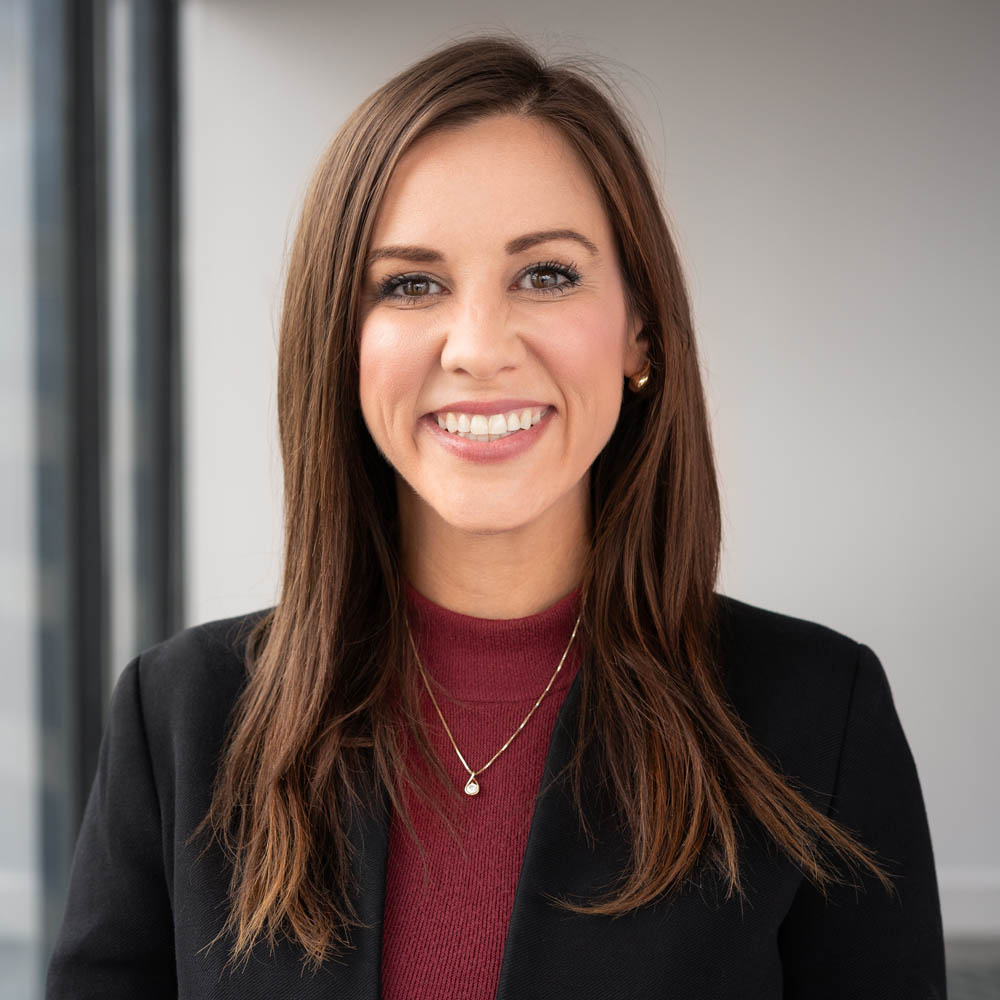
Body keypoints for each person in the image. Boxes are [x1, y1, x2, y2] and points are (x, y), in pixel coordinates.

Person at [46, 33, 947, 999]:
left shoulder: (817, 719)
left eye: (547, 274)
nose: (478, 347)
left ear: (640, 328)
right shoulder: (179, 719)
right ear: (342, 347)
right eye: (410, 284)